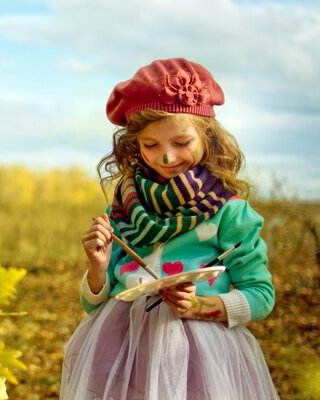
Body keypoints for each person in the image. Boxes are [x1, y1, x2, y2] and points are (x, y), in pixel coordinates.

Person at [60, 58, 279, 399]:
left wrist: (203, 306)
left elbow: (262, 296)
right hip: (122, 352)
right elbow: (93, 306)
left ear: (208, 137)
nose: (165, 158)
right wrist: (98, 268)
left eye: (180, 143)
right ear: (134, 146)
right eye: (151, 145)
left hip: (201, 360)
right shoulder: (121, 208)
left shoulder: (229, 211)